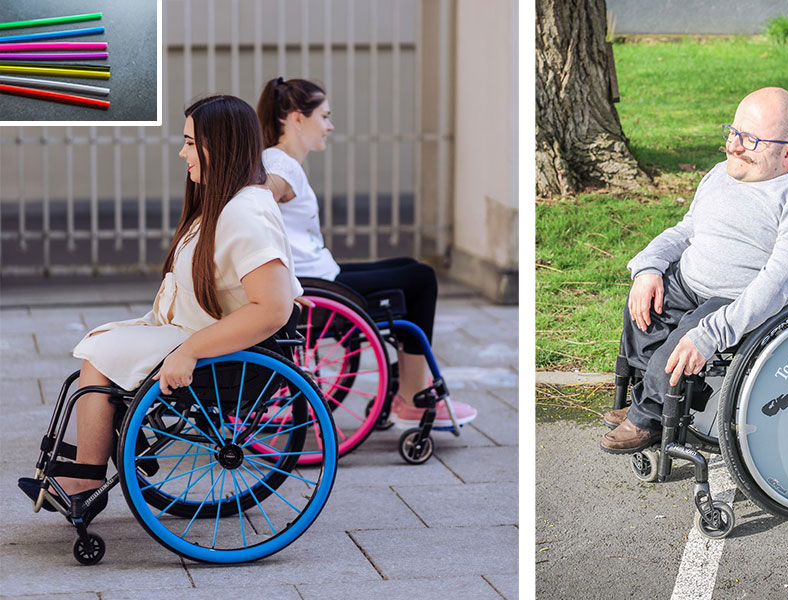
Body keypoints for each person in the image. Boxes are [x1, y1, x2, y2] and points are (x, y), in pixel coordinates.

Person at [19, 95, 304, 519]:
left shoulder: (243, 213)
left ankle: (85, 481)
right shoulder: (227, 203)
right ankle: (86, 473)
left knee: (98, 359)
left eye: (190, 143)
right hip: (192, 331)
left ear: (220, 146)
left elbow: (274, 308)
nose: (182, 152)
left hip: (212, 347)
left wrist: (188, 351)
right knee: (99, 350)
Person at [600, 87, 788, 453]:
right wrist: (648, 268)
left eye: (750, 139)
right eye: (732, 132)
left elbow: (775, 287)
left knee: (682, 342)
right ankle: (645, 398)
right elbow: (686, 230)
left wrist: (710, 334)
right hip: (691, 282)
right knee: (644, 311)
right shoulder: (722, 174)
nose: (733, 146)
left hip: (743, 300)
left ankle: (648, 416)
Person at [255, 76, 476, 428]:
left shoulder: (279, 161)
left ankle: (410, 388)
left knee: (409, 266)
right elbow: (254, 201)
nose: (329, 125)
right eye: (324, 116)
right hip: (314, 286)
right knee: (421, 278)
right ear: (297, 118)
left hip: (319, 275)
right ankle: (413, 397)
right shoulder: (280, 166)